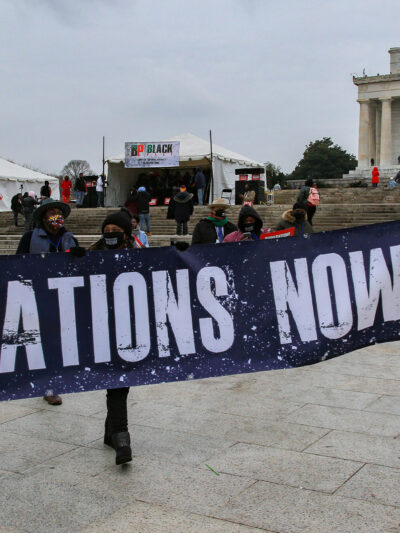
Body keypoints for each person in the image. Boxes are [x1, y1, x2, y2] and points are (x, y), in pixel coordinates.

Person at [16, 197, 80, 406]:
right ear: (43, 218)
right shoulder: (29, 238)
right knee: (44, 344)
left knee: (60, 344)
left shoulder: (70, 237)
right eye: (51, 213)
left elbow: (81, 265)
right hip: (38, 297)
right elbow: (17, 265)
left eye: (58, 213)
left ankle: (53, 383)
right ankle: (47, 386)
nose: (56, 217)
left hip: (65, 299)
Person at [89, 210, 137, 465]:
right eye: (106, 232)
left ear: (126, 233)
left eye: (115, 232)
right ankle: (121, 435)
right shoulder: (91, 254)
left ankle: (114, 434)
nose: (109, 235)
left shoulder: (138, 253)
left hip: (128, 328)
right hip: (99, 327)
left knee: (120, 380)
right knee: (117, 379)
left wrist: (180, 255)